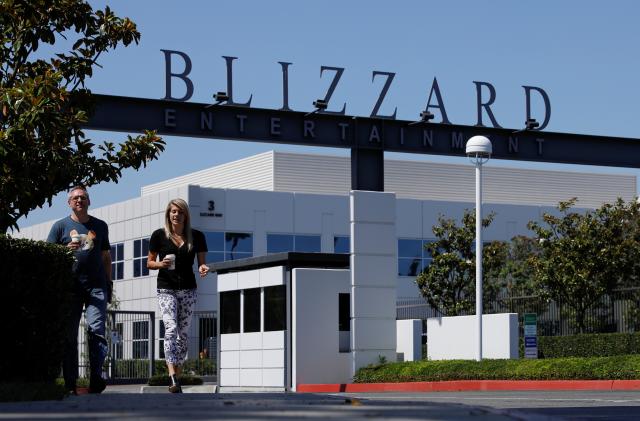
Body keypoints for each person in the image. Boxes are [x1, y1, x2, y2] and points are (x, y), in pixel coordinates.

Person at [47, 186, 111, 395]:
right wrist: (64, 250)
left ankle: (96, 377)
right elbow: (48, 255)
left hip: (96, 286)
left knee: (96, 331)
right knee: (69, 335)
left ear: (89, 201)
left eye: (83, 198)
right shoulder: (60, 227)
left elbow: (105, 257)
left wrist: (108, 284)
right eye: (75, 198)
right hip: (70, 287)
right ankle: (70, 382)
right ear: (69, 203)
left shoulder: (100, 226)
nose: (79, 201)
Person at [147, 198, 209, 393]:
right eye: (173, 211)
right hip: (166, 288)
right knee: (171, 329)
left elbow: (201, 263)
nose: (176, 214)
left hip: (188, 289)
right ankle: (172, 376)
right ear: (168, 214)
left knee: (183, 336)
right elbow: (149, 263)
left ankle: (177, 377)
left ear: (185, 215)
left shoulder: (197, 236)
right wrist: (160, 264)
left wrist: (203, 267)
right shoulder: (159, 235)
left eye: (180, 212)